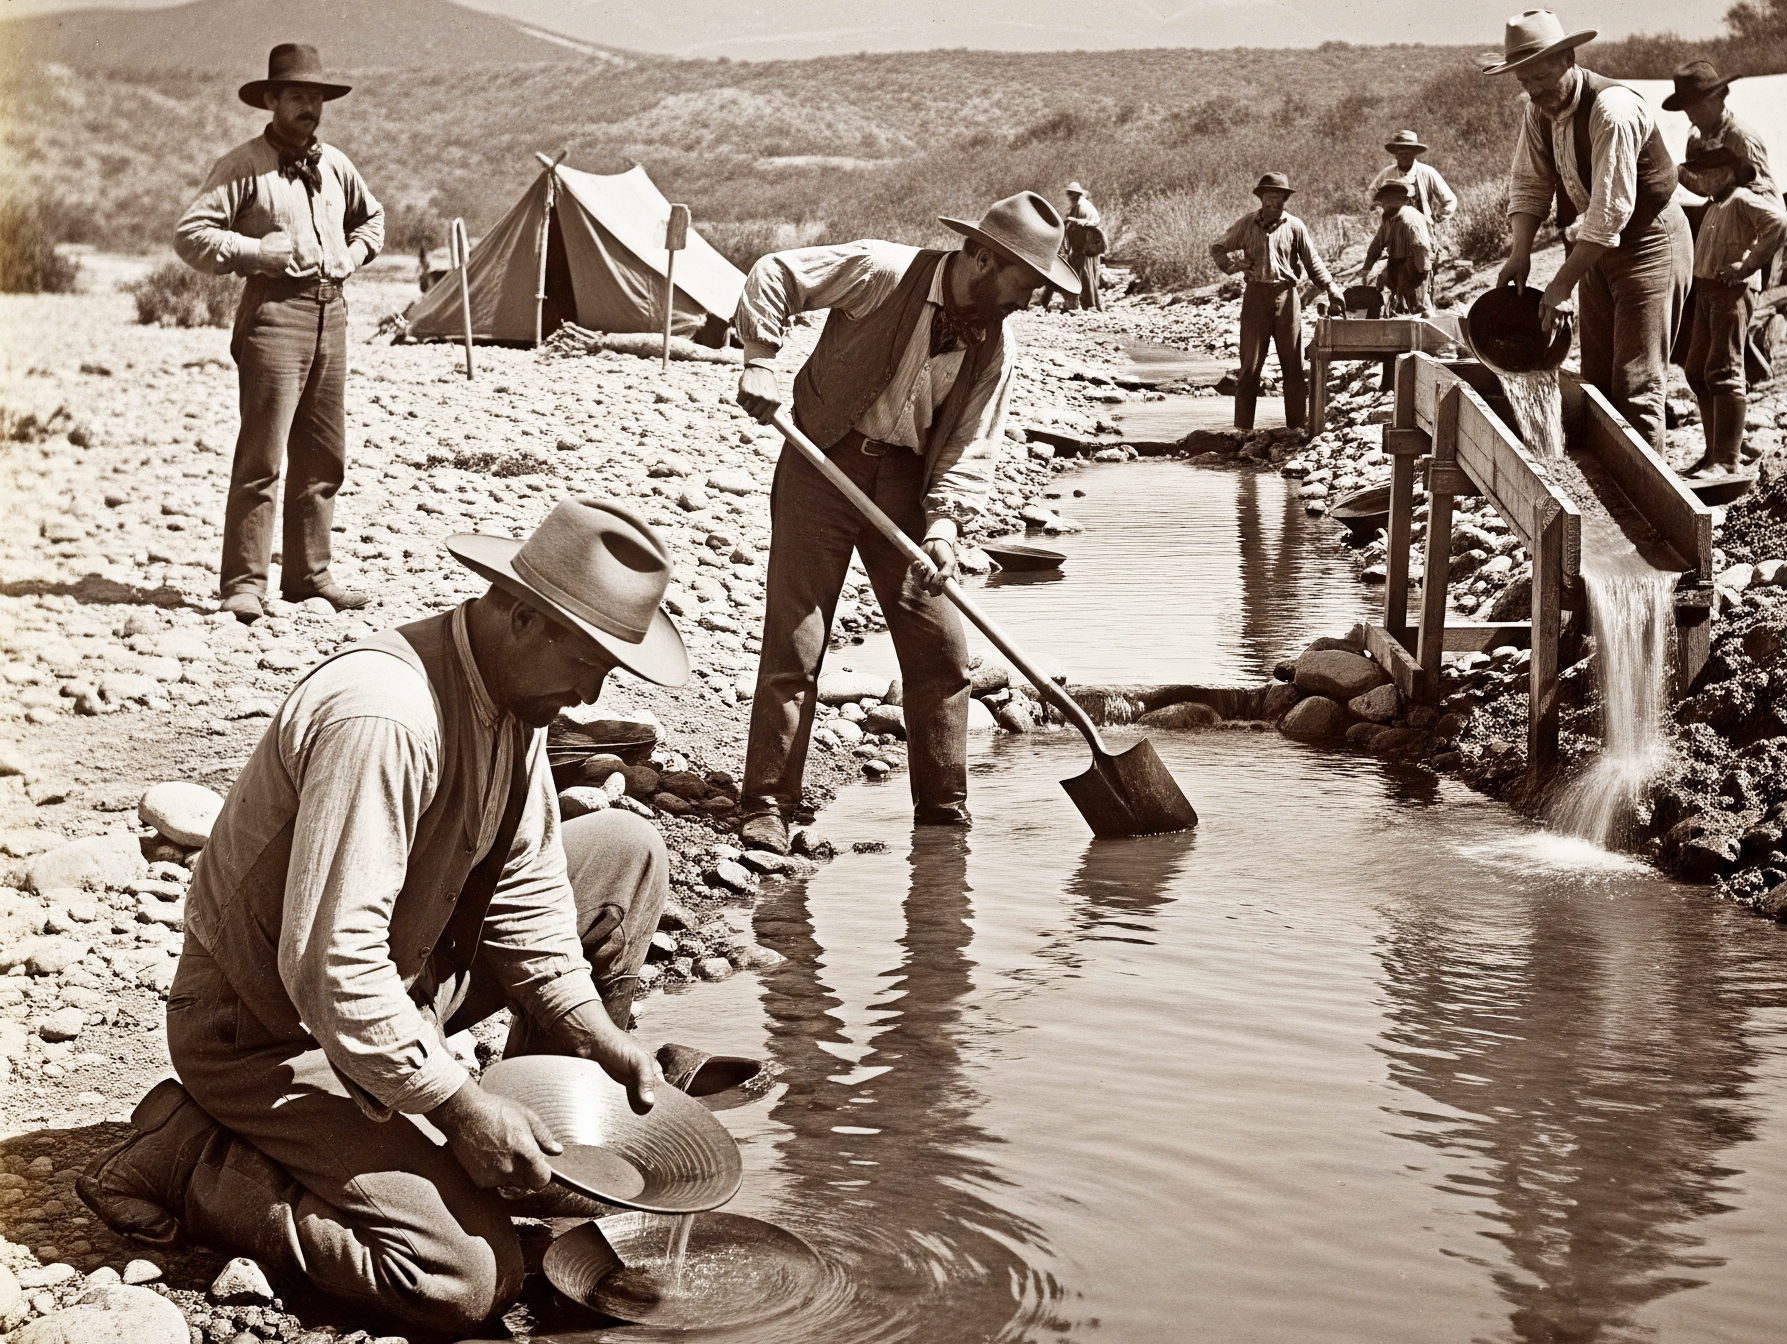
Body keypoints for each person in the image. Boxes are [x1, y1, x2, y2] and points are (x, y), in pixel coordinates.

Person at [76, 499, 742, 1335]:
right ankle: (189, 1160)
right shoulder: (385, 715)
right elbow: (331, 967)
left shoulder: (516, 694)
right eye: (590, 663)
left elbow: (527, 890)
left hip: (394, 972)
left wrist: (588, 1029)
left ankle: (546, 1145)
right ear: (524, 616)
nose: (592, 694)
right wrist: (458, 1105)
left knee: (621, 849)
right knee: (463, 1277)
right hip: (268, 1030)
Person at [731, 193, 1074, 854]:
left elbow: (971, 444)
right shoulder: (881, 269)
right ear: (980, 256)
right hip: (819, 466)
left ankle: (944, 818)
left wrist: (943, 526)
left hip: (908, 492)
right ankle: (768, 803)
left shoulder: (996, 344)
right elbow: (776, 272)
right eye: (1025, 283)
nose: (1029, 301)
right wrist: (759, 359)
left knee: (942, 652)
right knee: (797, 643)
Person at [174, 44, 384, 623]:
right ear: (270, 101)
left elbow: (374, 218)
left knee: (324, 456)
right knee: (263, 456)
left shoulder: (337, 164)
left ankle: (310, 576)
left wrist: (353, 254)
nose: (308, 107)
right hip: (274, 316)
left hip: (331, 314)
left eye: (316, 97)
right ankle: (243, 585)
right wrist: (252, 251)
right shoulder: (243, 165)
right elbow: (190, 235)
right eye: (297, 96)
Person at [1490, 9, 1692, 454]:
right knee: (1597, 383)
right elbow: (1529, 184)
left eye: (1543, 76)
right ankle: (1602, 494)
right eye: (1526, 82)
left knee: (1636, 386)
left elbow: (1609, 213)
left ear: (1569, 58)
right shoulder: (1539, 110)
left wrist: (1561, 284)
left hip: (1650, 241)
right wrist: (1520, 253)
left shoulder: (1612, 109)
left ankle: (1648, 514)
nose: (1536, 90)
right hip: (1596, 248)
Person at [1678, 146, 1787, 478]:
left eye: (1711, 173)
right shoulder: (1715, 205)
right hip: (1708, 291)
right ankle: (1713, 451)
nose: (1704, 180)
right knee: (1697, 370)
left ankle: (1727, 459)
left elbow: (1779, 223)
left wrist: (1748, 264)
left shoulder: (1742, 199)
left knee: (1724, 370)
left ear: (1729, 172)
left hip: (1732, 291)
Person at [1209, 172, 1341, 433]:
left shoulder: (1295, 226)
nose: (1275, 203)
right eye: (1270, 197)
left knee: (1292, 365)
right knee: (1250, 367)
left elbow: (1312, 262)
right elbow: (1217, 247)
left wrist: (1332, 288)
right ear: (1261, 198)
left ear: (1285, 200)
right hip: (1255, 297)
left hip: (1286, 297)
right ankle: (1243, 430)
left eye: (1280, 198)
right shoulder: (1246, 224)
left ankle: (1295, 427)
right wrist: (1234, 266)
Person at [1665, 60, 1779, 204]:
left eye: (1699, 107)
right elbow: (1707, 187)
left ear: (1718, 98)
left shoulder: (1741, 138)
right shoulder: (1695, 137)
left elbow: (1764, 200)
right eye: (1688, 109)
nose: (1693, 116)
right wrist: (1678, 173)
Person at [1362, 179, 1434, 315]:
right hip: (1396, 266)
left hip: (1414, 269)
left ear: (1402, 200)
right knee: (1392, 304)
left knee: (1420, 311)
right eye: (1384, 201)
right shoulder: (1388, 221)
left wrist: (1417, 278)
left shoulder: (1411, 219)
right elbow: (1375, 247)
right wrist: (1366, 269)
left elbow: (1421, 247)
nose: (1384, 205)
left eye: (1389, 201)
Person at [1367, 130, 1459, 231]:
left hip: (1422, 230)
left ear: (1415, 154)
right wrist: (1378, 211)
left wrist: (1437, 219)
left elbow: (1450, 200)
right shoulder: (1387, 173)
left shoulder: (1427, 172)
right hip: (1393, 231)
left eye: (1409, 153)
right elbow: (1370, 195)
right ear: (1396, 155)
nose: (1405, 157)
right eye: (1402, 153)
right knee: (1375, 246)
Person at [1036, 183, 1106, 311]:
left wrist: (1071, 222)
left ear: (1076, 194)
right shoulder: (1081, 204)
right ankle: (1086, 304)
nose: (1068, 196)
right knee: (1085, 274)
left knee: (1081, 275)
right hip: (1084, 246)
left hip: (1085, 246)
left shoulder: (1081, 205)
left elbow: (1086, 225)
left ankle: (1087, 305)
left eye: (1070, 194)